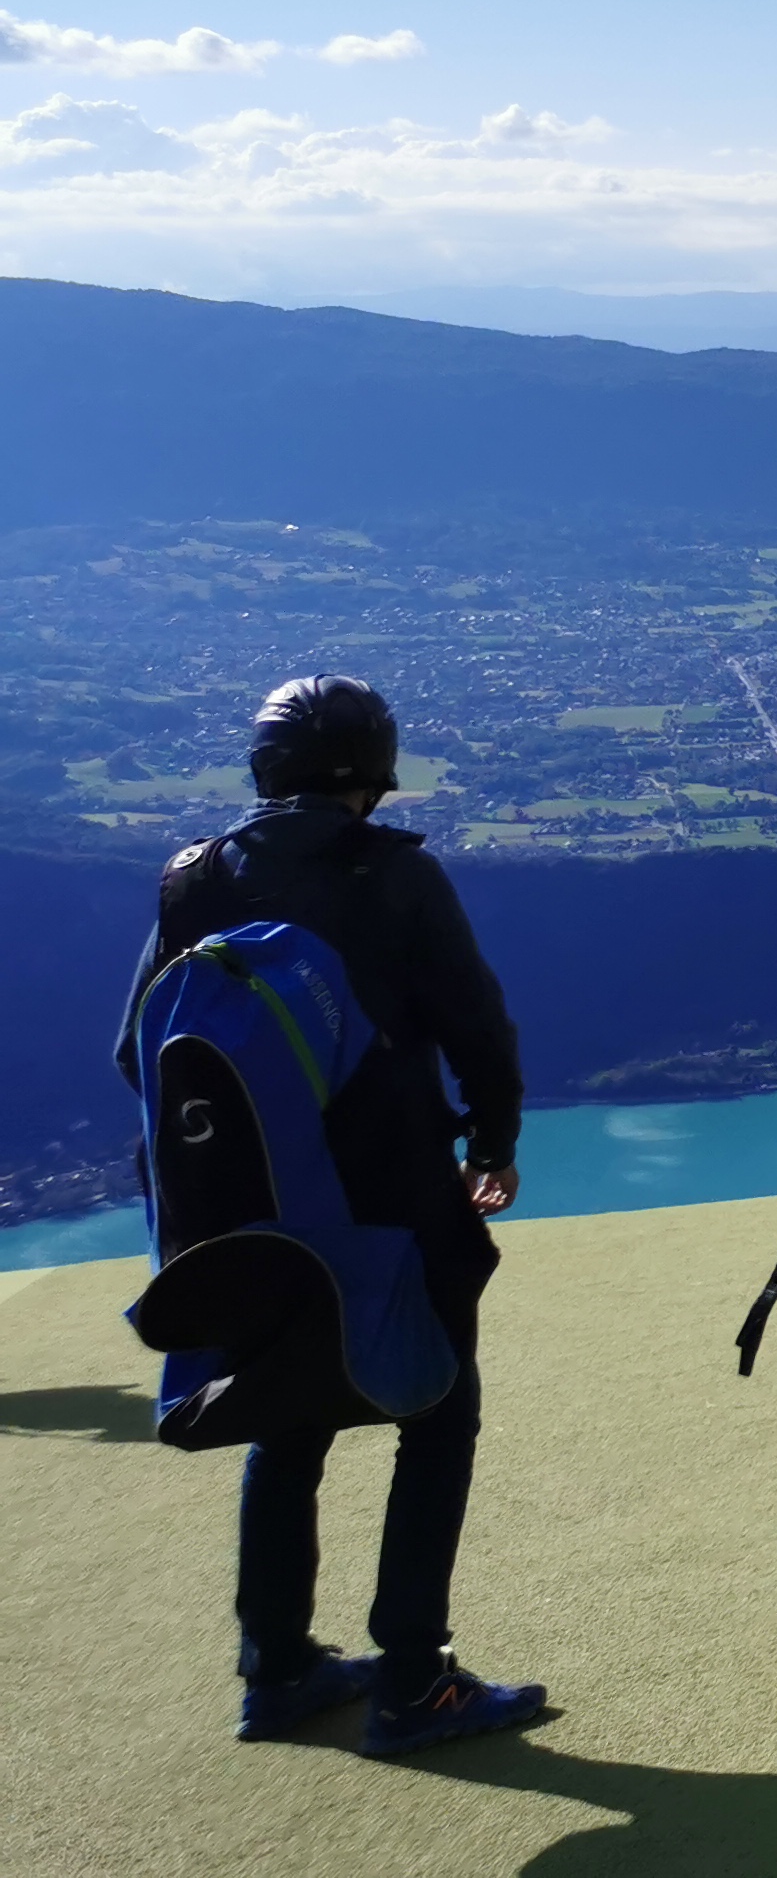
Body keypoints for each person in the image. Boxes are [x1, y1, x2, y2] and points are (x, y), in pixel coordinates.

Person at [115, 675, 546, 1759]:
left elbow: (137, 1050)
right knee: (435, 1414)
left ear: (265, 766)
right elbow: (476, 1024)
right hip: (394, 1203)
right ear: (378, 769)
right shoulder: (394, 874)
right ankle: (415, 1684)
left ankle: (278, 1671)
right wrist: (492, 1143)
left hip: (251, 1222)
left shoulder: (193, 879)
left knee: (285, 1420)